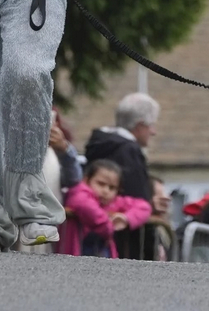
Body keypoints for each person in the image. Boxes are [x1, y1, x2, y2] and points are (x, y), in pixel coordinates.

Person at [85, 92, 159, 259]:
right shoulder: (129, 152)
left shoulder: (100, 145)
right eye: (151, 125)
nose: (153, 132)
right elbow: (136, 197)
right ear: (139, 126)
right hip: (122, 244)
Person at [57, 159, 151, 258]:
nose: (106, 191)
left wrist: (126, 218)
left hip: (102, 253)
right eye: (101, 184)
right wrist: (107, 226)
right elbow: (83, 204)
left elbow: (144, 207)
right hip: (75, 253)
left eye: (112, 188)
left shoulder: (114, 202)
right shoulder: (79, 192)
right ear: (86, 180)